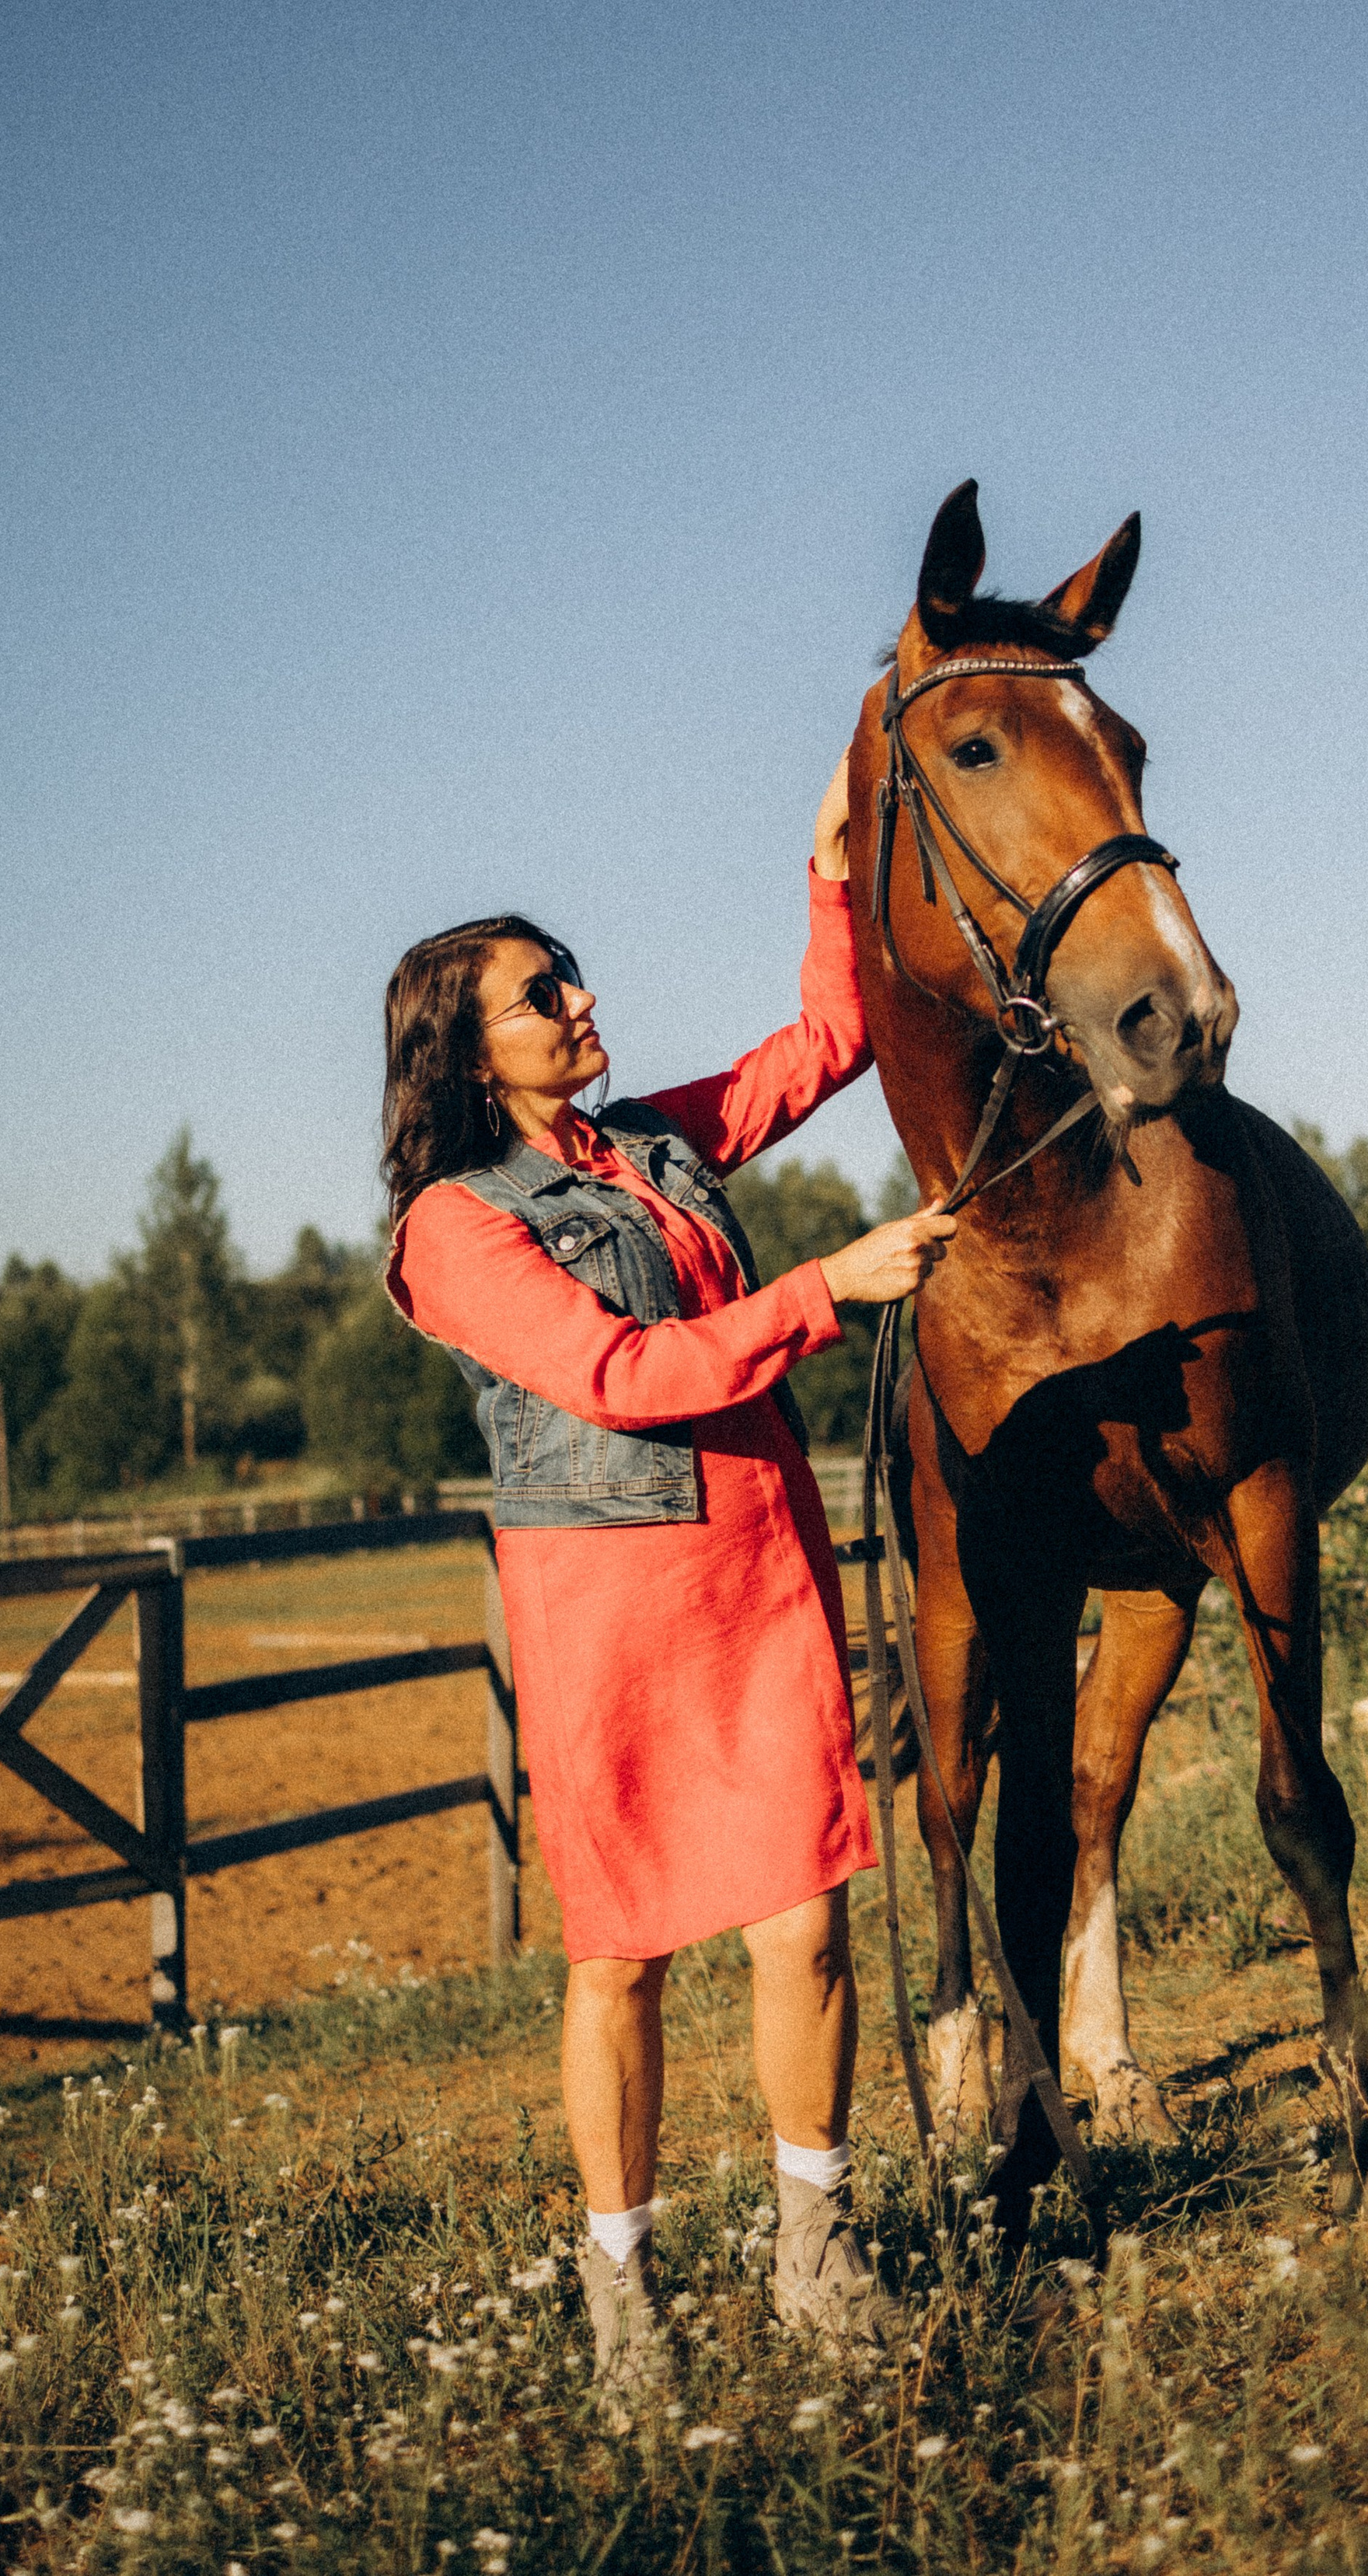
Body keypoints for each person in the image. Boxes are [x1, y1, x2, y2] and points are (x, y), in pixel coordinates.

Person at [382, 758, 954, 2418]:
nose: (578, 1003)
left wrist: (831, 872)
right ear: (463, 1048)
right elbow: (622, 1376)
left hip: (758, 1571)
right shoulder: (454, 1227)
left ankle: (811, 2243)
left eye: (569, 977)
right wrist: (826, 1289)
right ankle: (621, 2284)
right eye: (537, 994)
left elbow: (822, 1049)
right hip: (610, 1613)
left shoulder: (651, 1146)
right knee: (621, 1957)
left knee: (804, 1922)